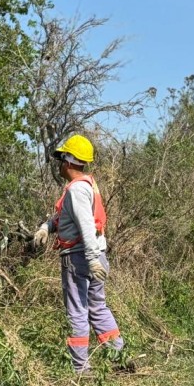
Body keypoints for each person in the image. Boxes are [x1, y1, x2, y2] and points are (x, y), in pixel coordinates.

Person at [33, 135, 125, 374]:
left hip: (80, 257)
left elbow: (85, 225)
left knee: (77, 310)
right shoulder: (86, 186)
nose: (59, 163)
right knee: (98, 307)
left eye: (62, 158)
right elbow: (67, 216)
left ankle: (81, 369)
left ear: (69, 161)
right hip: (95, 256)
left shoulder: (75, 190)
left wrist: (92, 259)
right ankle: (119, 358)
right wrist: (47, 227)